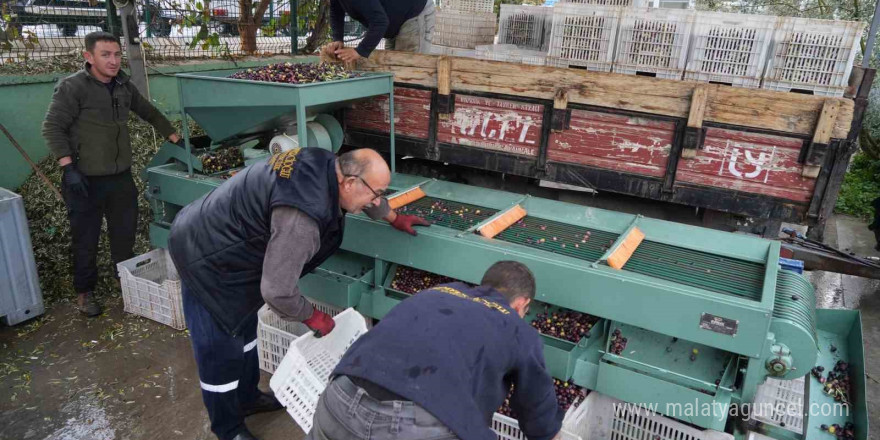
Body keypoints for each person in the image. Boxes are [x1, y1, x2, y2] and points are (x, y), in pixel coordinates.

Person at [168, 147, 429, 440]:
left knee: (243, 331)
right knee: (220, 351)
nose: (377, 199)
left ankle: (247, 398)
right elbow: (277, 291)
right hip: (205, 258)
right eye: (376, 193)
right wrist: (312, 316)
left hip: (233, 248)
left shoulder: (328, 163)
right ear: (349, 182)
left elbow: (366, 193)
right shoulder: (302, 218)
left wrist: (392, 216)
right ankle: (228, 428)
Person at [308, 261, 564, 440]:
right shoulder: (518, 329)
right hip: (416, 427)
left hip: (338, 399)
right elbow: (541, 424)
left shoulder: (436, 292)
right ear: (523, 304)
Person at [42, 31, 181, 317]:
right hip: (84, 178)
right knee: (86, 238)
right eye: (105, 55)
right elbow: (52, 127)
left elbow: (149, 113)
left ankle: (125, 282)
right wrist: (68, 168)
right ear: (88, 57)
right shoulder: (73, 87)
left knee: (124, 235)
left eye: (117, 54)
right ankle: (85, 292)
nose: (114, 60)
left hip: (119, 177)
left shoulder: (123, 86)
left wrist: (175, 137)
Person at [321, 0, 435, 63]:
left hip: (414, 14)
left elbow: (380, 22)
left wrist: (360, 51)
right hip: (394, 22)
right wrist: (338, 39)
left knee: (410, 70)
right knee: (392, 69)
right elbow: (335, 11)